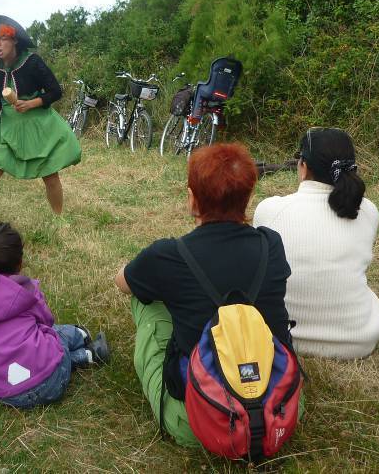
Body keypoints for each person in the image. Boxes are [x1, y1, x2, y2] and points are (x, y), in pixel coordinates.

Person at [115, 143, 292, 446]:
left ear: (192, 199)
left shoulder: (168, 255)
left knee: (144, 300)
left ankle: (178, 403)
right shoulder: (271, 245)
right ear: (248, 198)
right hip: (278, 412)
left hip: (198, 421)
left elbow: (122, 281)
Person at [253, 127, 379, 359]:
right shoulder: (368, 211)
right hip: (357, 342)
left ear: (303, 166)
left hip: (279, 336)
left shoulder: (269, 209)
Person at [0, 222, 109, 408]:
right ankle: (82, 338)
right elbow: (47, 322)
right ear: (19, 263)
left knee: (44, 347)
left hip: (2, 392)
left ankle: (86, 354)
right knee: (58, 335)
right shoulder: (26, 290)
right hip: (52, 383)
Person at [0, 15, 81, 236]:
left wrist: (32, 103)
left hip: (38, 124)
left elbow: (55, 91)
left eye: (3, 39)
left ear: (14, 41)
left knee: (50, 175)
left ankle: (59, 218)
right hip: (9, 126)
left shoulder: (32, 62)